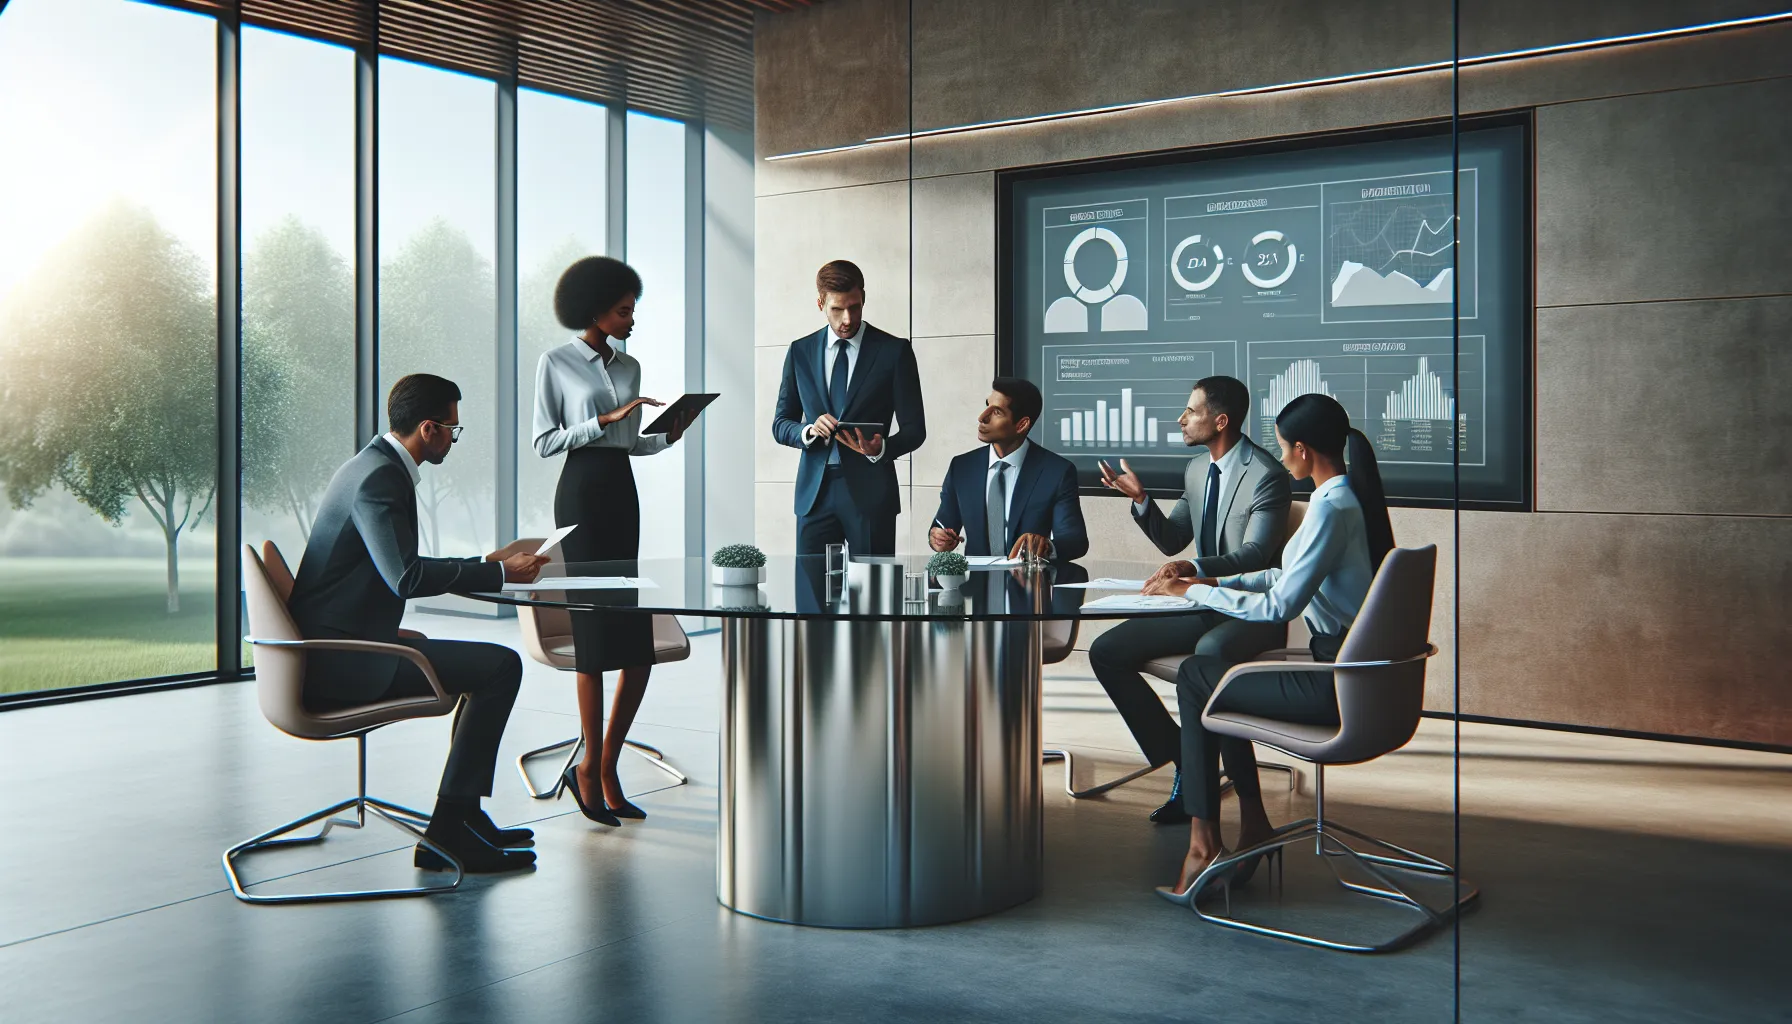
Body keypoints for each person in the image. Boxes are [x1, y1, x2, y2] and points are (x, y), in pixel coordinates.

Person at [288, 374, 550, 873]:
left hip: (341, 646)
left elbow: (392, 564)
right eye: (454, 427)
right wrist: (496, 572)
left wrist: (483, 560)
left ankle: (465, 816)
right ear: (428, 429)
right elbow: (404, 577)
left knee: (484, 668)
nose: (454, 437)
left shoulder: (370, 465)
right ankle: (448, 831)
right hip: (344, 664)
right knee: (499, 667)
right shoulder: (379, 479)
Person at [1150, 392, 1396, 904]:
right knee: (1216, 676)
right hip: (1355, 677)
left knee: (1201, 674)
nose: (1281, 458)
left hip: (1336, 686)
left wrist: (1193, 591)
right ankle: (1251, 825)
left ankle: (1204, 844)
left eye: (1284, 448)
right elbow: (1284, 573)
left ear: (1303, 450)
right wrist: (1200, 572)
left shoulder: (1331, 509)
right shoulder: (1342, 498)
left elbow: (1280, 605)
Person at [1090, 375, 1292, 823]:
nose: (1181, 419)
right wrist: (1142, 500)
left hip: (1251, 610)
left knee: (1207, 654)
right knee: (1106, 651)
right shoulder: (1197, 470)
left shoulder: (1266, 476)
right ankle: (1185, 757)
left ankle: (1215, 787)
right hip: (1202, 603)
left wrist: (1194, 570)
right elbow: (1173, 540)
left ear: (1220, 421)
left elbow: (1256, 554)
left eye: (1191, 411)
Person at [532, 256, 689, 826]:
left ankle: (608, 762)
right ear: (594, 310)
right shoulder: (556, 363)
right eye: (624, 311)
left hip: (622, 494)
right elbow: (545, 441)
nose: (631, 320)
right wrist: (604, 420)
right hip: (579, 495)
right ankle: (589, 771)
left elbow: (630, 445)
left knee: (635, 646)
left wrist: (665, 436)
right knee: (594, 644)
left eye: (633, 310)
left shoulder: (631, 365)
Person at [772, 259, 926, 555]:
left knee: (873, 597)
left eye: (854, 307)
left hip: (871, 494)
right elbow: (781, 423)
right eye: (837, 309)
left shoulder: (894, 352)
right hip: (813, 495)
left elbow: (915, 430)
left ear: (863, 298)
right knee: (809, 597)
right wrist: (807, 431)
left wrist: (881, 449)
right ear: (820, 304)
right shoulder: (800, 351)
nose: (847, 318)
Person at [928, 377, 1087, 562]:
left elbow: (1075, 541)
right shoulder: (962, 467)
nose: (982, 417)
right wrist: (938, 538)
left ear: (1021, 425)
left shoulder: (1057, 471)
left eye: (996, 412)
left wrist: (1046, 547)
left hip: (1029, 585)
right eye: (987, 405)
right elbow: (942, 525)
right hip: (975, 587)